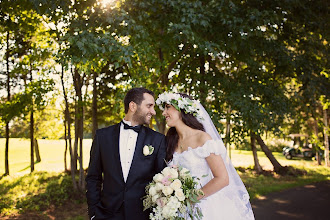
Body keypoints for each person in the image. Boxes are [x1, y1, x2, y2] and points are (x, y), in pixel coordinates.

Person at [156, 92, 255, 220]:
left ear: (182, 109)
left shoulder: (202, 139)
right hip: (178, 209)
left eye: (168, 107)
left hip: (205, 207)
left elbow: (223, 178)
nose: (164, 113)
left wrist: (191, 198)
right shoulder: (170, 140)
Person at [86, 87, 167, 220]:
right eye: (149, 106)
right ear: (133, 106)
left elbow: (162, 181)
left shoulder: (157, 140)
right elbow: (93, 177)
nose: (153, 112)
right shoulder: (102, 136)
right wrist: (93, 212)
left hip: (142, 215)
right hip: (107, 214)